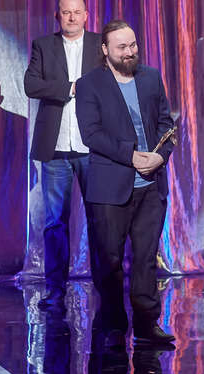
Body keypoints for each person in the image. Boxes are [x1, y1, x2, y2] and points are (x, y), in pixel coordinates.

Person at [75, 19, 175, 345]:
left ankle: (147, 325)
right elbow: (91, 134)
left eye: (133, 45)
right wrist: (132, 157)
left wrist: (161, 157)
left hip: (151, 186)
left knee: (146, 259)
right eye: (122, 47)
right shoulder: (89, 85)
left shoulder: (151, 77)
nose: (130, 52)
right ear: (105, 50)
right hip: (110, 187)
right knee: (110, 261)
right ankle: (114, 324)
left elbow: (166, 123)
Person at [24, 0, 102, 309]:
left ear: (86, 15)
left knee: (100, 219)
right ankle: (55, 290)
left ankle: (106, 287)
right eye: (66, 12)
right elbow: (31, 85)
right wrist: (70, 88)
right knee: (55, 222)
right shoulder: (44, 46)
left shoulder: (100, 44)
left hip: (93, 148)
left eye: (76, 12)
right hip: (56, 148)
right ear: (57, 16)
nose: (71, 17)